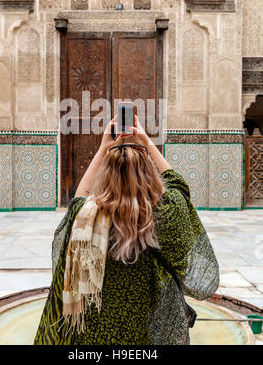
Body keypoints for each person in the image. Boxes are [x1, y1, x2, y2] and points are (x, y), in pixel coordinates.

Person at [34, 115, 219, 345]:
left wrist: (103, 149)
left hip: (97, 337)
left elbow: (77, 199)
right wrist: (145, 141)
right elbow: (178, 185)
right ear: (149, 176)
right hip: (146, 332)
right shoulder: (164, 214)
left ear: (106, 177)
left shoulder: (86, 216)